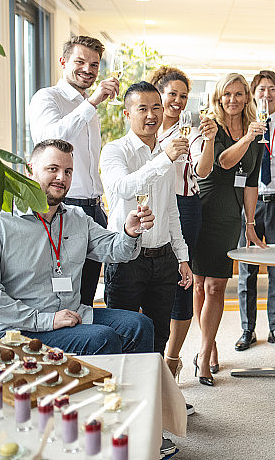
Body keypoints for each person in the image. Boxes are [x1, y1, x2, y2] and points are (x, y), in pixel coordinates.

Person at [0, 139, 154, 354]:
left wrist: (130, 232)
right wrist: (46, 320)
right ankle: (106, 387)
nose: (61, 178)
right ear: (31, 170)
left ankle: (130, 388)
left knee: (140, 326)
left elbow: (117, 250)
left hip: (69, 314)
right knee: (101, 339)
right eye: (53, 169)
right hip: (13, 329)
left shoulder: (77, 218)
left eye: (68, 171)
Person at [100, 81, 193, 357]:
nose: (151, 115)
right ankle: (125, 399)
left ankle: (155, 398)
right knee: (123, 335)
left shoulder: (165, 155)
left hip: (164, 260)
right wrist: (164, 159)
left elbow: (171, 210)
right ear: (127, 114)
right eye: (142, 109)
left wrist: (182, 257)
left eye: (156, 108)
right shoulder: (115, 151)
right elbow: (123, 187)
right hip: (126, 259)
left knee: (159, 336)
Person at [28, 35, 120, 306]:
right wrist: (90, 103)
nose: (88, 70)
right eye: (80, 62)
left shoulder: (89, 107)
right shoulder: (48, 97)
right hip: (63, 207)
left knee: (87, 296)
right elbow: (49, 140)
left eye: (94, 64)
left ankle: (86, 347)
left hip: (92, 209)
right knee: (60, 296)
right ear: (63, 62)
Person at [191, 73, 265, 386]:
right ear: (219, 98)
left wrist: (250, 223)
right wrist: (246, 138)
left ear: (247, 98)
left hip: (229, 218)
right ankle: (207, 349)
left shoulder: (255, 137)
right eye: (227, 94)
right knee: (198, 285)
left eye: (238, 94)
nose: (232, 100)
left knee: (215, 287)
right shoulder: (213, 127)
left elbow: (250, 183)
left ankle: (205, 350)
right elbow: (223, 161)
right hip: (204, 210)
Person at [152, 66, 218, 392]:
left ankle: (172, 363)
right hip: (152, 210)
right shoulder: (143, 131)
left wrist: (210, 140)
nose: (177, 101)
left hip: (186, 209)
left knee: (183, 283)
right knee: (151, 282)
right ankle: (147, 363)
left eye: (183, 96)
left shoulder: (189, 131)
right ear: (157, 93)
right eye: (172, 94)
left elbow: (204, 171)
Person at [235, 70, 275, 352]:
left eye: (272, 89)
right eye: (261, 89)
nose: (266, 94)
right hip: (251, 203)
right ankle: (247, 329)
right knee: (247, 270)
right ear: (252, 94)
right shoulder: (244, 125)